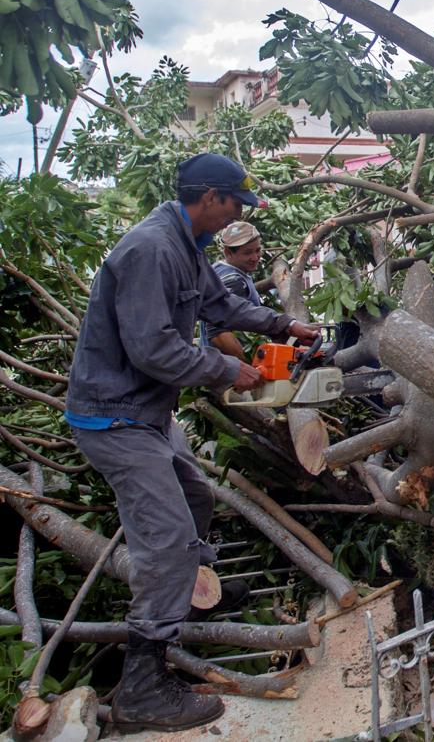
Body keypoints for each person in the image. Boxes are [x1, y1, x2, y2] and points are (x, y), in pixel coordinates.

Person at [65, 152, 319, 733]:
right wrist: (229, 371)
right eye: (235, 203)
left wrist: (283, 326)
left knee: (197, 499)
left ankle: (179, 601)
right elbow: (152, 349)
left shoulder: (187, 247)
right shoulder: (151, 250)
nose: (239, 214)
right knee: (171, 543)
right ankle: (143, 685)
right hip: (115, 422)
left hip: (148, 415)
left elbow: (219, 305)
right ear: (209, 198)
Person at [202, 221, 265, 361]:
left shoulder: (217, 269)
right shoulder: (233, 281)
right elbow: (218, 333)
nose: (255, 257)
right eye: (248, 253)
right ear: (228, 252)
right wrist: (248, 365)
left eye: (257, 250)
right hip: (230, 370)